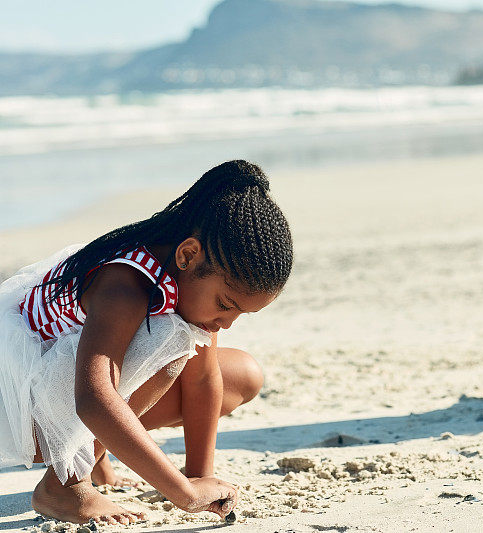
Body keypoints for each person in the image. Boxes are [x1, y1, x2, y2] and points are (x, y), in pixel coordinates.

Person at [0, 160, 293, 525]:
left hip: (66, 390)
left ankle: (94, 454)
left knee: (241, 375)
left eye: (240, 315)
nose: (228, 322)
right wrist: (182, 495)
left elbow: (202, 380)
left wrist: (199, 476)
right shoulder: (124, 285)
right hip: (15, 406)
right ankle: (64, 485)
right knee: (167, 348)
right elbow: (93, 397)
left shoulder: (189, 284)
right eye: (225, 305)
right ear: (188, 255)